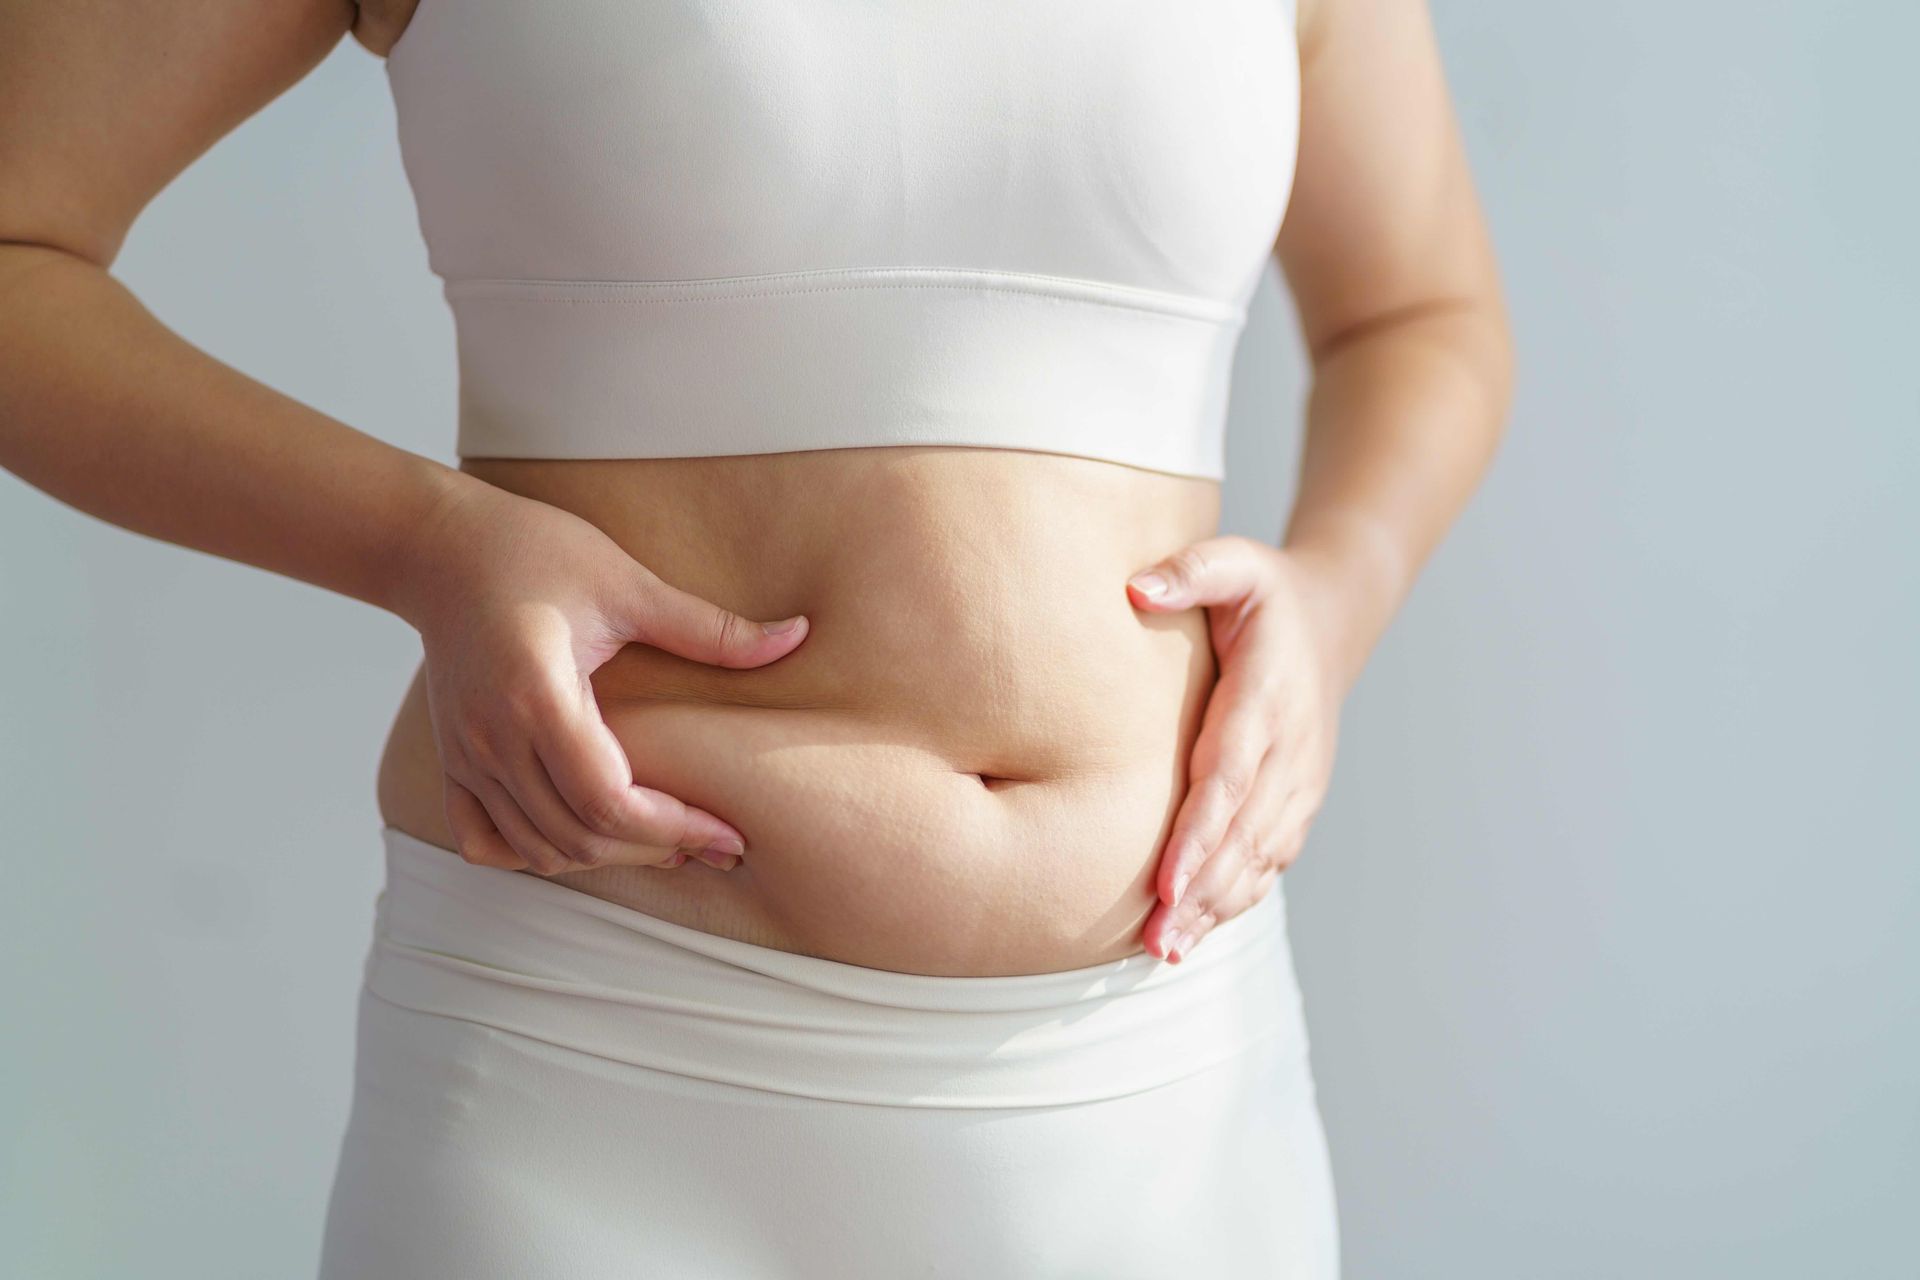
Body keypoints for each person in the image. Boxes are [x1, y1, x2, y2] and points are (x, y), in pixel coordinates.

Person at [0, 0, 1511, 1273]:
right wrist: (425, 544)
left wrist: (1333, 596)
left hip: (1172, 1092)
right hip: (597, 1067)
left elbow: (1422, 312)